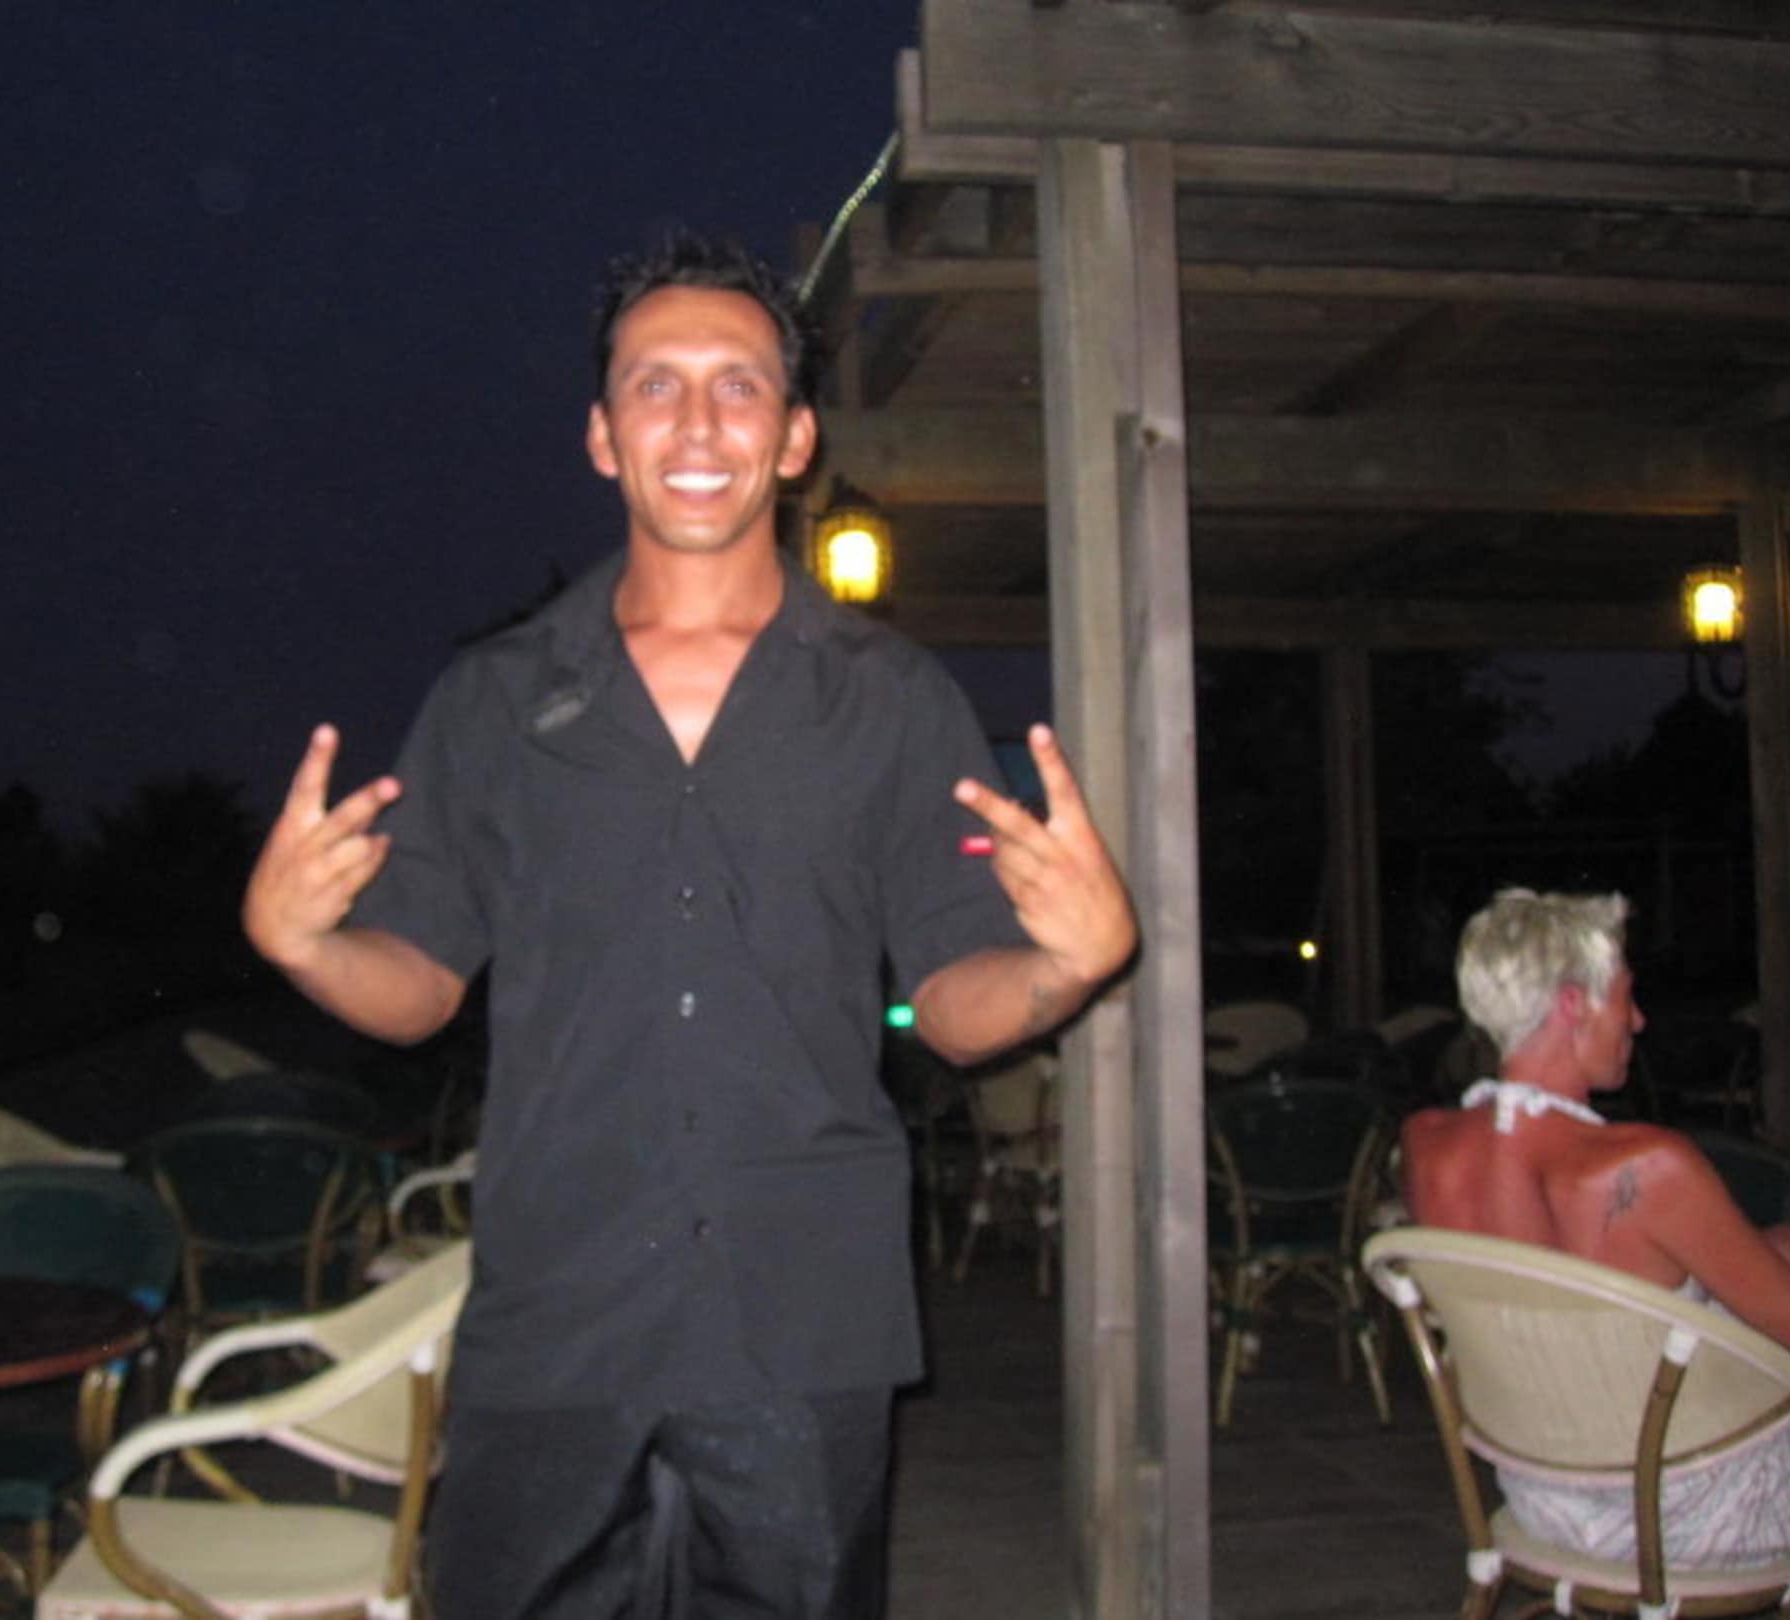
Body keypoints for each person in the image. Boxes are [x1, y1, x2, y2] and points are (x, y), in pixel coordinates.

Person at [242, 231, 1137, 1620]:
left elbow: (958, 1003)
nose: (700, 422)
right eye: (656, 386)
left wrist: (1066, 967)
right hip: (555, 1314)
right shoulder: (495, 699)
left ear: (795, 437)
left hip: (805, 1322)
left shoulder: (893, 700)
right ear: (604, 437)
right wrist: (303, 944)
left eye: (740, 385)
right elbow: (418, 983)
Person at [1402, 887, 1790, 1569]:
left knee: (1786, 1247)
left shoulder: (1425, 1146)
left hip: (1539, 1496)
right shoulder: (1649, 1168)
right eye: (1626, 996)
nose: (1640, 1020)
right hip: (1682, 1512)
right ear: (1574, 1004)